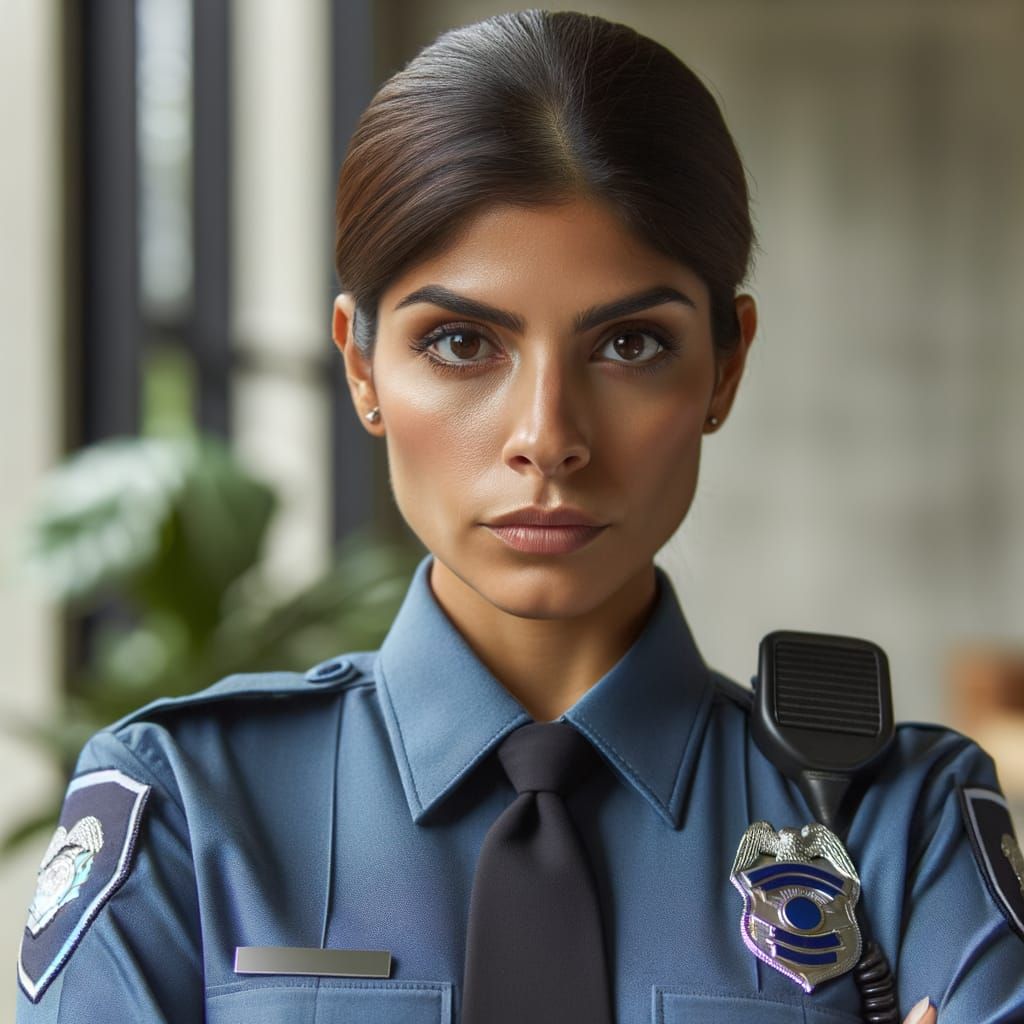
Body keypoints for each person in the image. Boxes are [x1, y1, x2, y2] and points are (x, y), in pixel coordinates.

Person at [16, 9, 1024, 1023]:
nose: (547, 437)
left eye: (630, 344)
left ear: (726, 368)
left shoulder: (901, 821)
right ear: (361, 366)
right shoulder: (185, 804)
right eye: (461, 343)